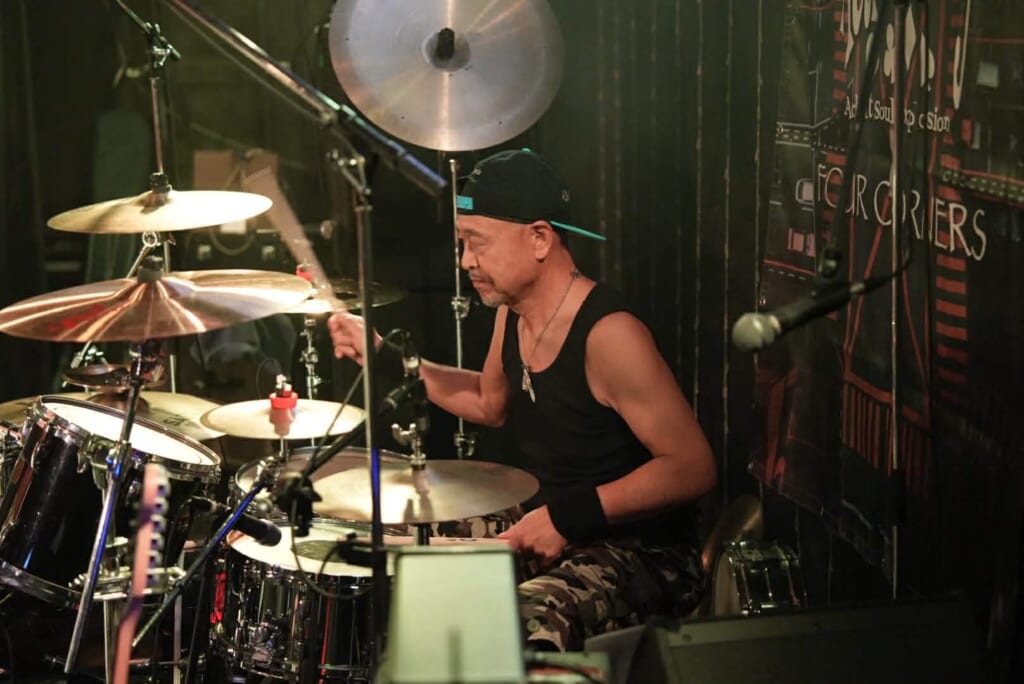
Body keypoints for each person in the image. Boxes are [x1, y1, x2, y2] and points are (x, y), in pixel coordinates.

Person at [327, 148, 716, 652]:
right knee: (396, 531)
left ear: (539, 239)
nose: (466, 261)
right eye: (462, 243)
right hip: (551, 521)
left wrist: (565, 518)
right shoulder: (512, 313)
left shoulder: (609, 335)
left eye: (478, 243)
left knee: (520, 622)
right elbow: (489, 401)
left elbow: (692, 467)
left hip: (643, 553)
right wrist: (383, 356)